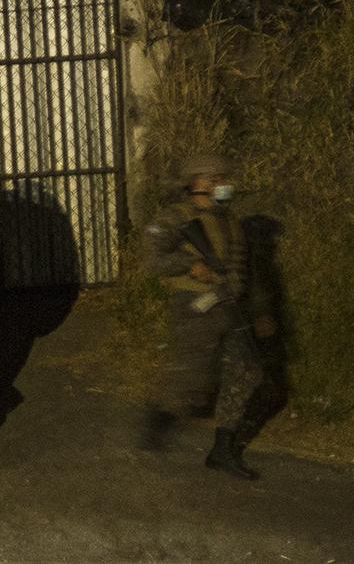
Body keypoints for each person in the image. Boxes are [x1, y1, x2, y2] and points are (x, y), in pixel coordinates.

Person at [138, 152, 279, 478]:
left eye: (223, 180)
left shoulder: (229, 220)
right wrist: (190, 265)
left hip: (231, 307)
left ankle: (222, 450)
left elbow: (249, 271)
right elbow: (152, 259)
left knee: (247, 371)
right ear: (198, 182)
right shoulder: (176, 218)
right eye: (216, 180)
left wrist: (260, 311)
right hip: (195, 308)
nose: (223, 186)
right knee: (190, 381)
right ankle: (156, 424)